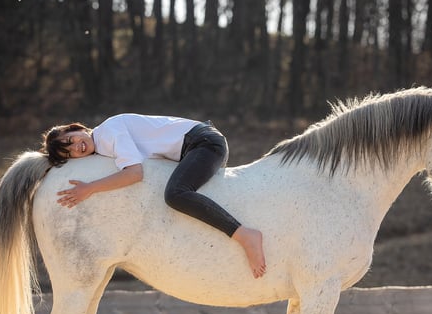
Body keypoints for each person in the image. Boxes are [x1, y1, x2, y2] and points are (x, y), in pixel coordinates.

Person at [41, 113, 267, 278]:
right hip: (195, 145)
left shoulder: (108, 132)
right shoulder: (102, 146)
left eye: (71, 140)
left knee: (176, 194)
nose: (76, 148)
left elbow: (134, 173)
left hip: (203, 143)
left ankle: (244, 234)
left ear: (77, 127)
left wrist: (89, 188)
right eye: (69, 152)